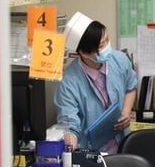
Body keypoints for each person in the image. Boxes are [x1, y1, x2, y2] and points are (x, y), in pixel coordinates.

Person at [54, 12, 137, 154]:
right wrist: (70, 148)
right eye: (101, 45)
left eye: (107, 40)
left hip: (122, 144)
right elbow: (69, 123)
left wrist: (125, 112)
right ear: (84, 53)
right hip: (89, 150)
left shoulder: (120, 60)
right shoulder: (68, 82)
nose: (107, 47)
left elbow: (131, 86)